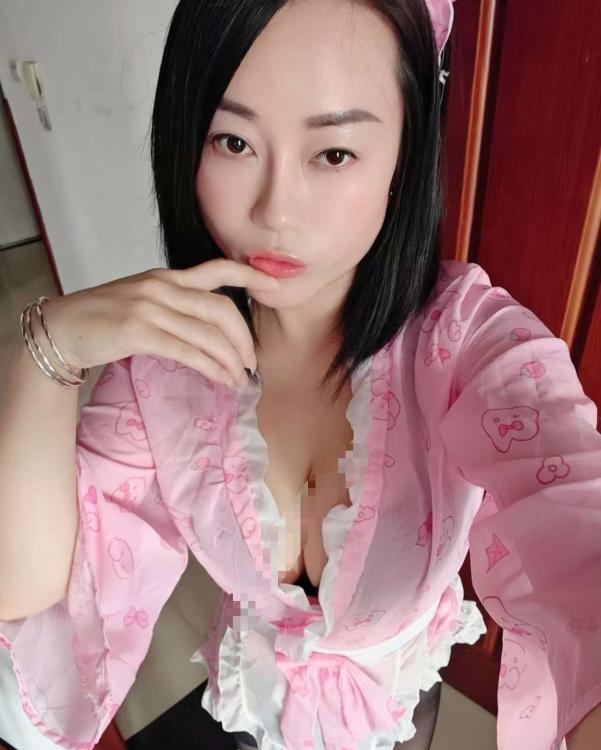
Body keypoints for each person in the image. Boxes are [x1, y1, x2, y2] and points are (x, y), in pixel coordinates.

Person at [0, 1, 600, 749]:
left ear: (406, 154)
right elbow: (24, 586)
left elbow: (573, 506)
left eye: (334, 153)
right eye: (233, 141)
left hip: (399, 693)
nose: (275, 211)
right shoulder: (162, 368)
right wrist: (48, 345)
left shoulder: (466, 344)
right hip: (257, 694)